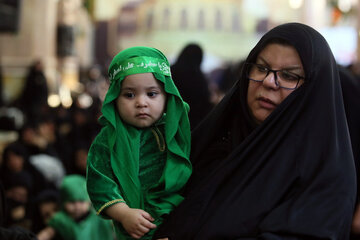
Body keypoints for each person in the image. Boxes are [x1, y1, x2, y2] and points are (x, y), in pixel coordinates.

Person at [152, 22, 357, 239]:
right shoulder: (217, 140)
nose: (269, 82)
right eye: (262, 68)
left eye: (289, 76)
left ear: (313, 90)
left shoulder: (322, 171)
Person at [86, 46, 192, 240]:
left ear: (167, 95)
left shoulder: (177, 133)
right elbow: (100, 183)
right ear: (114, 98)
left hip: (176, 225)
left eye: (152, 94)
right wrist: (124, 213)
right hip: (133, 230)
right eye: (129, 95)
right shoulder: (107, 140)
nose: (141, 103)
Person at [37, 174, 114, 240]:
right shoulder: (60, 219)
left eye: (81, 202)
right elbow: (47, 234)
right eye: (72, 202)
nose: (77, 206)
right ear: (63, 202)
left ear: (89, 201)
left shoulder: (101, 217)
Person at [170, 43, 213, 129]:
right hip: (192, 124)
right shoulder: (198, 77)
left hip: (170, 120)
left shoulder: (170, 72)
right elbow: (205, 102)